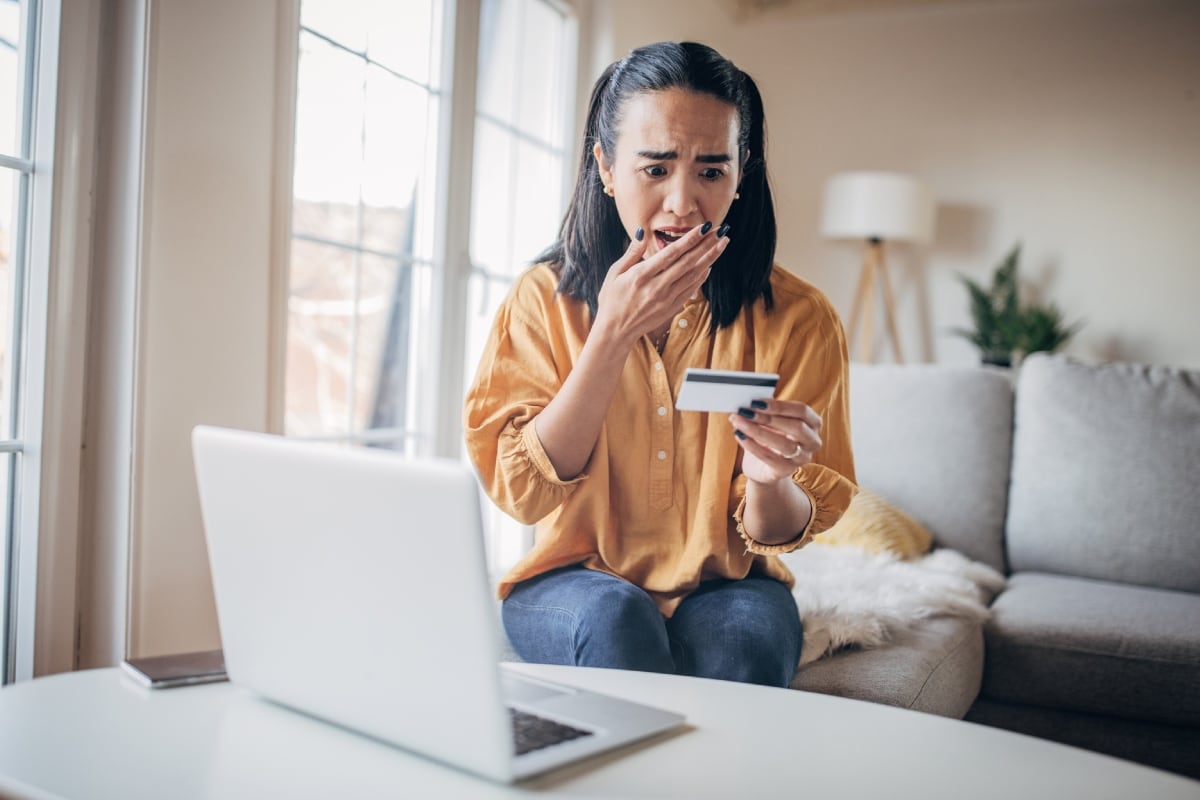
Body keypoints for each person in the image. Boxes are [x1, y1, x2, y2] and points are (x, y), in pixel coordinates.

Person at [463, 41, 856, 688]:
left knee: (743, 646)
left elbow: (784, 529)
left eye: (711, 171)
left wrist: (768, 480)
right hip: (572, 577)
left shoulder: (800, 318)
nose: (682, 202)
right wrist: (612, 333)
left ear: (741, 173)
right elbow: (523, 494)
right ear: (606, 167)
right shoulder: (541, 298)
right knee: (614, 621)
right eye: (655, 168)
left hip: (728, 581)